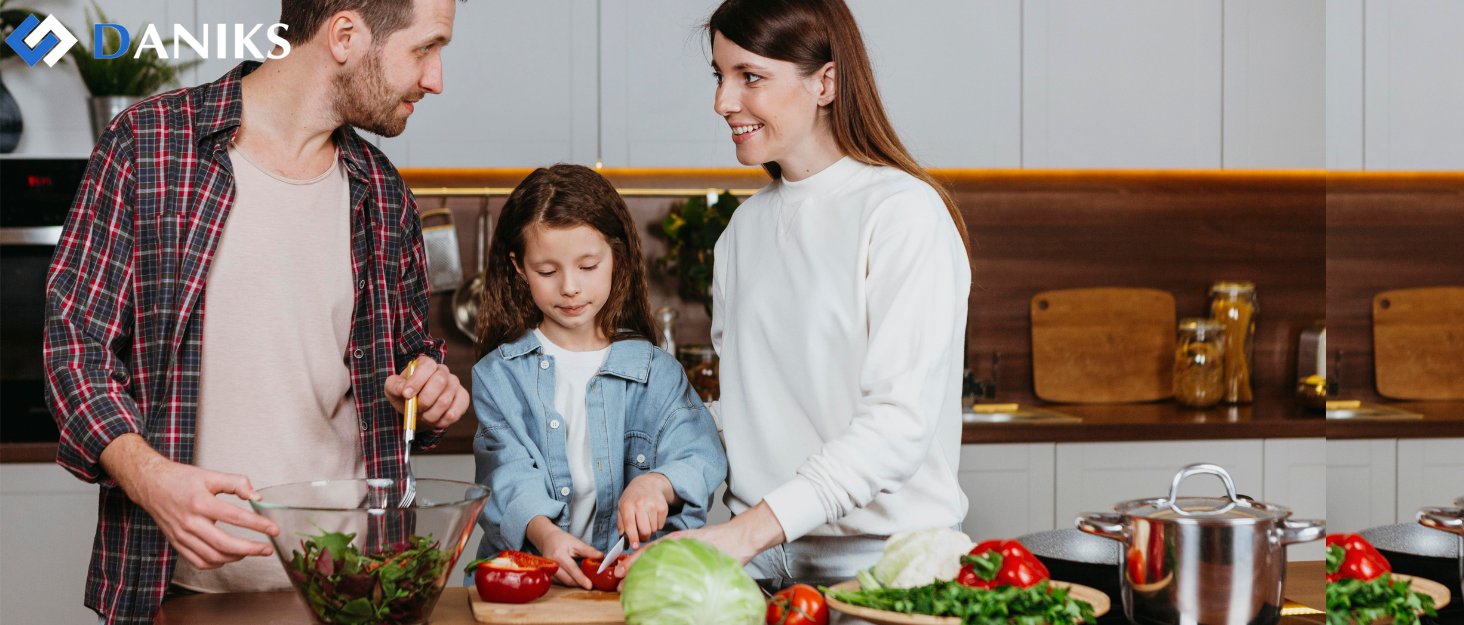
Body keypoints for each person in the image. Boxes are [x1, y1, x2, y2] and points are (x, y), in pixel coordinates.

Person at [43, 1, 469, 622]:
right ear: (345, 35)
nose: (435, 79)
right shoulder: (151, 145)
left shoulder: (383, 192)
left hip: (353, 590)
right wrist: (147, 477)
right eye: (426, 48)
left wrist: (426, 392)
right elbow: (73, 346)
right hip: (181, 590)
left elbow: (405, 362)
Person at [616, 0, 973, 590]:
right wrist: (668, 474)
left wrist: (748, 531)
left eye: (750, 76)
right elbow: (748, 411)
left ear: (825, 82)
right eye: (720, 75)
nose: (723, 102)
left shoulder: (901, 212)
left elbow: (897, 425)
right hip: (760, 557)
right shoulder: (741, 232)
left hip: (884, 561)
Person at [470, 164, 727, 589]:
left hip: (635, 582)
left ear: (616, 257)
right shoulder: (499, 375)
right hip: (530, 584)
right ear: (518, 267)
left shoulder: (656, 372)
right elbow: (506, 475)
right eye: (547, 272)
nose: (569, 287)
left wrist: (656, 484)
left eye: (588, 266)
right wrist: (545, 534)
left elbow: (699, 455)